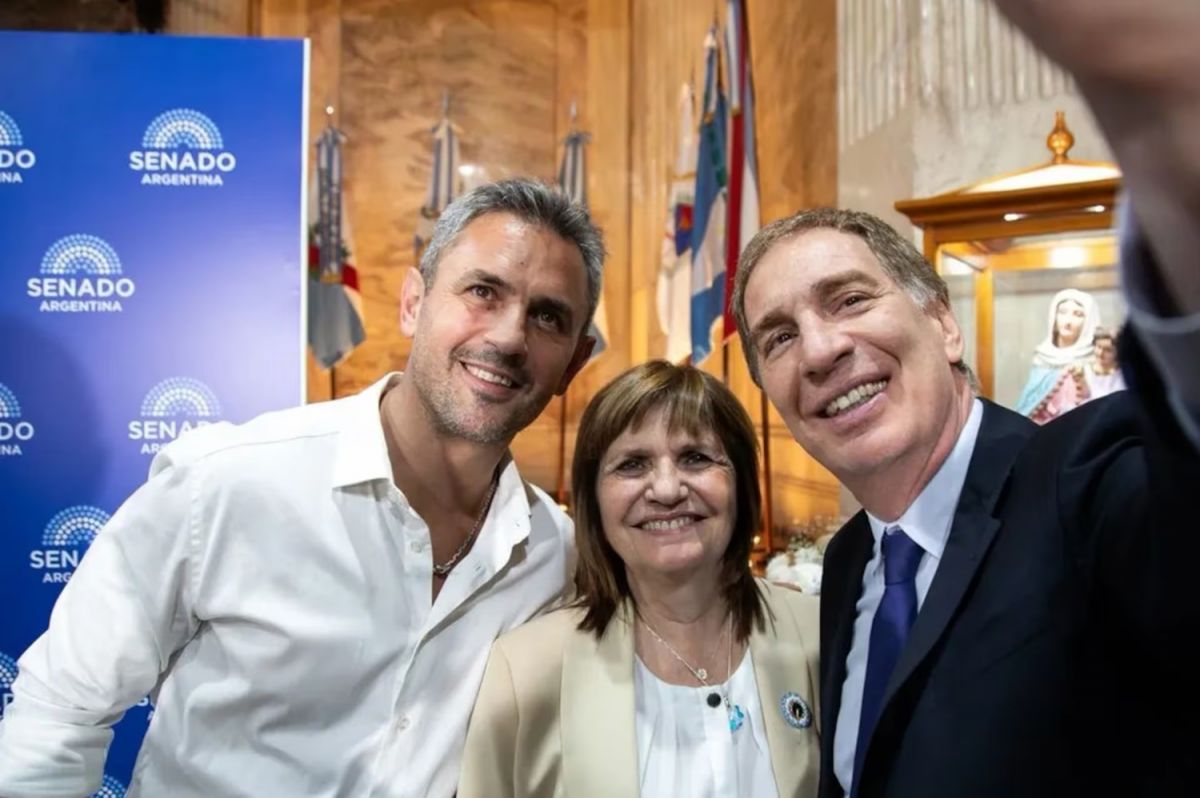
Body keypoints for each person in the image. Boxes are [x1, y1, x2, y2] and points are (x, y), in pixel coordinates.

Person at [0, 178, 603, 798]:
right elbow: (60, 712)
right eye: (482, 292)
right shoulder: (228, 481)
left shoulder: (555, 557)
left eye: (547, 317)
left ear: (574, 363)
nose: (508, 337)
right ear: (413, 303)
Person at [732, 3, 1200, 787]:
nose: (819, 349)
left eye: (850, 300)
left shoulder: (1084, 480)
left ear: (944, 324)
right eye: (778, 338)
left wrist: (1174, 157)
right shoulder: (851, 562)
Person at [458, 361, 821, 798]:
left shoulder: (821, 635)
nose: (667, 490)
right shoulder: (524, 671)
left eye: (696, 458)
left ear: (741, 484)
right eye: (632, 465)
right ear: (594, 499)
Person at [1013, 288, 1101, 422]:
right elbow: (1028, 403)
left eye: (1078, 314)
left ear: (1088, 321)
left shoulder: (1094, 360)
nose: (1068, 321)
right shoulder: (1043, 358)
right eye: (1062, 312)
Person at [1086, 326, 1126, 400]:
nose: (1100, 353)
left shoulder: (1124, 376)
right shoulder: (1083, 372)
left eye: (1108, 350)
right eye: (1098, 347)